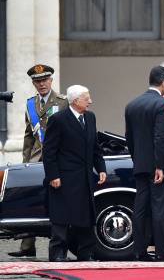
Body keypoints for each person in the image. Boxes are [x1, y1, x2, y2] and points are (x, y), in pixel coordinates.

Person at [8, 65, 68, 258]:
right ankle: (27, 246)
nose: (41, 84)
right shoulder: (30, 104)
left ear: (51, 80)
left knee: (58, 202)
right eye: (37, 81)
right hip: (35, 160)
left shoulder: (63, 102)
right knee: (31, 199)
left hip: (58, 159)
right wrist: (25, 160)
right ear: (33, 83)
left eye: (44, 80)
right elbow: (28, 137)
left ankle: (58, 247)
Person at [42, 85, 106, 261]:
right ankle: (57, 255)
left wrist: (101, 168)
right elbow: (49, 151)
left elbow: (95, 147)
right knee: (61, 219)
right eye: (87, 98)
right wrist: (53, 175)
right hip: (63, 179)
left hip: (84, 178)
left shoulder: (90, 117)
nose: (90, 101)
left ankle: (86, 254)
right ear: (76, 101)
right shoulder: (58, 119)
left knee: (86, 218)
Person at [125, 66, 164, 262]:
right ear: (163, 83)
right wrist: (160, 166)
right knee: (159, 210)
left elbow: (129, 138)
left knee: (140, 209)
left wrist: (138, 160)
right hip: (158, 168)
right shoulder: (162, 105)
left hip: (140, 165)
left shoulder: (132, 105)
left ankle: (139, 251)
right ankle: (161, 252)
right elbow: (161, 138)